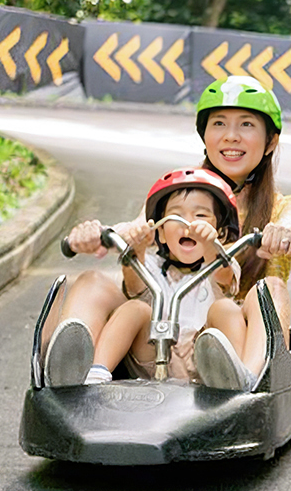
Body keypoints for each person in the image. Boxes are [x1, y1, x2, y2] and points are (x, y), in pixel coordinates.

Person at [42, 75, 291, 386]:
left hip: (227, 332)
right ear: (205, 135)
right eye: (219, 124)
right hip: (163, 327)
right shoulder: (176, 191)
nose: (231, 136)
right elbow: (138, 227)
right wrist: (96, 235)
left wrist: (283, 233)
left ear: (270, 142)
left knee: (272, 287)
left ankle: (248, 380)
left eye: (246, 125)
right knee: (92, 281)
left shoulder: (285, 206)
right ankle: (70, 377)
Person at [70, 167, 253, 389]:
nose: (188, 224)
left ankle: (238, 379)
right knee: (136, 308)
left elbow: (224, 276)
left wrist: (209, 244)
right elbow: (134, 285)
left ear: (221, 232)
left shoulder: (219, 264)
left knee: (226, 308)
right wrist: (136, 248)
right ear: (162, 233)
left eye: (201, 216)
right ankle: (96, 373)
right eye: (176, 216)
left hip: (204, 359)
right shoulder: (149, 265)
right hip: (153, 355)